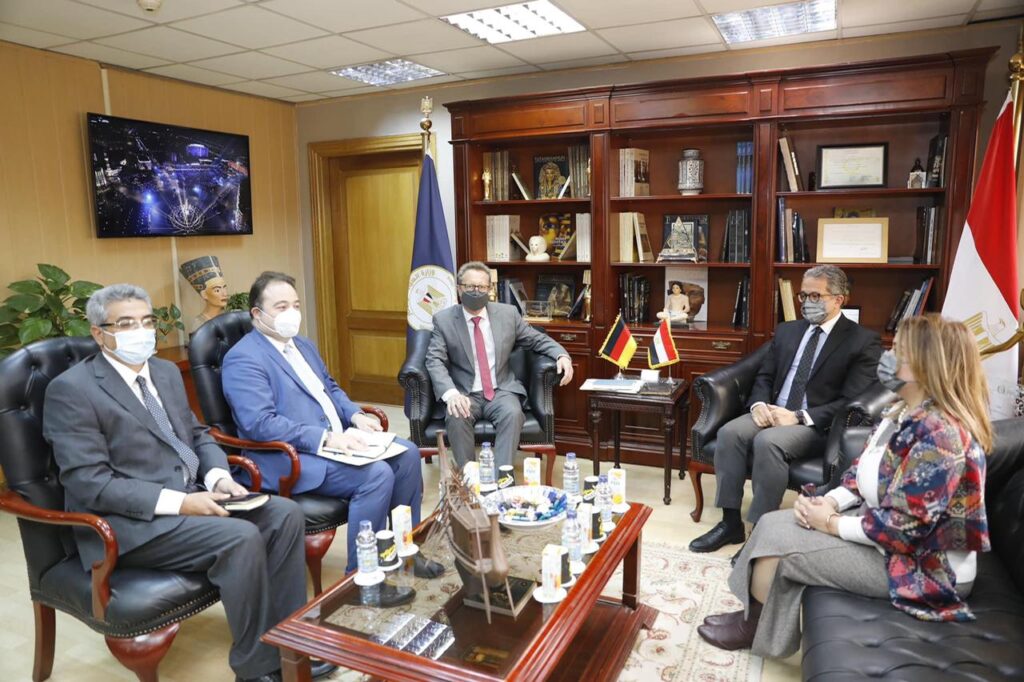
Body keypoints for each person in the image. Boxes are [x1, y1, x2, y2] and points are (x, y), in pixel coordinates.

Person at [43, 284, 331, 682]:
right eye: (125, 324)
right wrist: (180, 503)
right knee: (240, 537)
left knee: (284, 514)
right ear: (98, 333)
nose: (140, 331)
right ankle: (258, 669)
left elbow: (196, 434)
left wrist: (218, 476)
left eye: (147, 321)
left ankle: (290, 646)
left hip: (192, 495)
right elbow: (90, 483)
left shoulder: (163, 372)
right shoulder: (72, 390)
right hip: (128, 522)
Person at [698, 314, 992, 657]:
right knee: (771, 523)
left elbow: (905, 530)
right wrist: (831, 502)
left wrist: (832, 524)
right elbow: (859, 472)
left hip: (923, 566)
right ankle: (754, 616)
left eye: (898, 351)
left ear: (926, 366)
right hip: (884, 535)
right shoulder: (900, 412)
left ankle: (758, 628)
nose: (887, 357)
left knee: (781, 547)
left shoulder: (940, 435)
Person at [221, 272, 442, 580]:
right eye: (281, 307)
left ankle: (405, 549)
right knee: (375, 474)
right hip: (287, 457)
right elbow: (259, 423)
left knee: (407, 453)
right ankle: (362, 575)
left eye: (295, 305)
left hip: (332, 442)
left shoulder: (302, 345)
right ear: (257, 314)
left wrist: (355, 415)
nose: (292, 313)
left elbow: (330, 388)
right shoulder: (243, 359)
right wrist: (325, 438)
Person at [690, 265, 881, 553]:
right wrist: (758, 404)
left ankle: (760, 532)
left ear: (838, 299)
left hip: (814, 424)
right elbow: (764, 375)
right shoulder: (788, 330)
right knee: (730, 433)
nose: (806, 303)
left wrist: (797, 416)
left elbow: (850, 401)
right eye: (803, 295)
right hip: (773, 410)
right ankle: (730, 523)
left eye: (815, 296)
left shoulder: (861, 341)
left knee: (768, 443)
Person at [425, 261, 575, 469]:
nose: (476, 291)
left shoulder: (508, 314)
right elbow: (434, 360)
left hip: (501, 390)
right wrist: (451, 394)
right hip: (464, 392)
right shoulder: (444, 320)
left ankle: (503, 478)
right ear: (459, 289)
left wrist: (561, 355)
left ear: (490, 289)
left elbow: (536, 339)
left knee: (512, 413)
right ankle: (468, 480)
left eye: (482, 287)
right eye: (470, 286)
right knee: (456, 416)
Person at [179, 255, 229, 332]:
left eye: (224, 288)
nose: (224, 294)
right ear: (204, 294)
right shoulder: (199, 324)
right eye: (217, 290)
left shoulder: (228, 318)